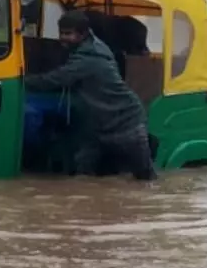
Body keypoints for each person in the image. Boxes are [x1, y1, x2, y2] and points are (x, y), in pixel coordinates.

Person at [24, 9, 155, 181]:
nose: (63, 38)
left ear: (83, 34)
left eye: (68, 34)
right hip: (97, 126)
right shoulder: (91, 47)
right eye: (61, 33)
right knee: (82, 176)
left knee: (145, 179)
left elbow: (55, 80)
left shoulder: (89, 58)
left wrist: (18, 81)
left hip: (126, 123)